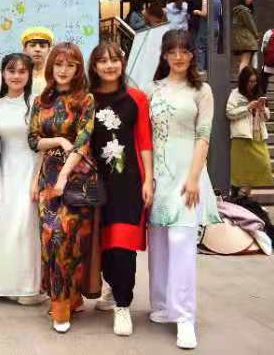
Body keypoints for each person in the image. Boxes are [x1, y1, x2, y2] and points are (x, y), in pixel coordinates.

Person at [145, 29, 221, 350]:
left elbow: (203, 137)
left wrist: (193, 178)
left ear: (193, 54)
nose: (178, 57)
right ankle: (162, 305)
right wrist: (148, 178)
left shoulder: (202, 91)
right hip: (158, 176)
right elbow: (145, 138)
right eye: (172, 51)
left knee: (182, 242)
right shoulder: (153, 89)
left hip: (188, 174)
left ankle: (185, 317)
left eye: (185, 51)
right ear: (164, 55)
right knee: (158, 242)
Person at [28, 42, 98, 334]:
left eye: (70, 65)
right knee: (51, 240)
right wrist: (57, 142)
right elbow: (33, 140)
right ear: (51, 66)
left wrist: (64, 177)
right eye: (58, 64)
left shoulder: (86, 99)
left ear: (78, 69)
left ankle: (67, 300)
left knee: (70, 240)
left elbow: (84, 140)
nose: (64, 70)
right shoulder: (41, 100)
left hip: (76, 178)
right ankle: (61, 300)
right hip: (48, 177)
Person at [87, 42, 154, 337]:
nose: (109, 65)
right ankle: (112, 288)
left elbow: (145, 141)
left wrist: (148, 179)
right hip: (94, 183)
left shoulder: (136, 98)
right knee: (102, 245)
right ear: (94, 66)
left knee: (123, 245)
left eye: (115, 60)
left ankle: (123, 305)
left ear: (122, 63)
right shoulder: (87, 99)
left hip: (128, 183)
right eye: (103, 61)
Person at [0, 53, 44, 306]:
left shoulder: (37, 103)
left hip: (31, 170)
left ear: (29, 75)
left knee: (27, 226)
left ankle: (29, 287)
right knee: (5, 226)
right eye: (11, 71)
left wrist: (38, 178)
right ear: (3, 74)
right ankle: (4, 285)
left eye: (22, 71)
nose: (16, 76)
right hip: (6, 172)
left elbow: (42, 144)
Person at [227, 66, 272, 196]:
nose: (253, 84)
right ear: (244, 81)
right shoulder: (235, 94)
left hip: (258, 135)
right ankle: (242, 195)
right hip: (242, 136)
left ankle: (245, 192)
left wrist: (263, 109)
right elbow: (229, 113)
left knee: (264, 163)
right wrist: (247, 108)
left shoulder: (259, 93)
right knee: (241, 170)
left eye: (255, 81)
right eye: (250, 81)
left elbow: (267, 117)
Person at [21, 27, 54, 100]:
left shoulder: (55, 74)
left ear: (49, 50)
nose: (37, 49)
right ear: (24, 50)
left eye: (42, 46)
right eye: (32, 45)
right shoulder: (16, 74)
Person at [232, 0, 260, 73]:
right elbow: (251, 25)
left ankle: (242, 78)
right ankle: (242, 79)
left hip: (240, 38)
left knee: (243, 61)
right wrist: (257, 36)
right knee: (245, 62)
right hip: (246, 39)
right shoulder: (244, 11)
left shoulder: (237, 10)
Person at [188, 0, 210, 71]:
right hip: (206, 24)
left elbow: (189, 12)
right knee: (206, 46)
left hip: (195, 24)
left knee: (198, 46)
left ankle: (200, 67)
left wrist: (196, 12)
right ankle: (207, 67)